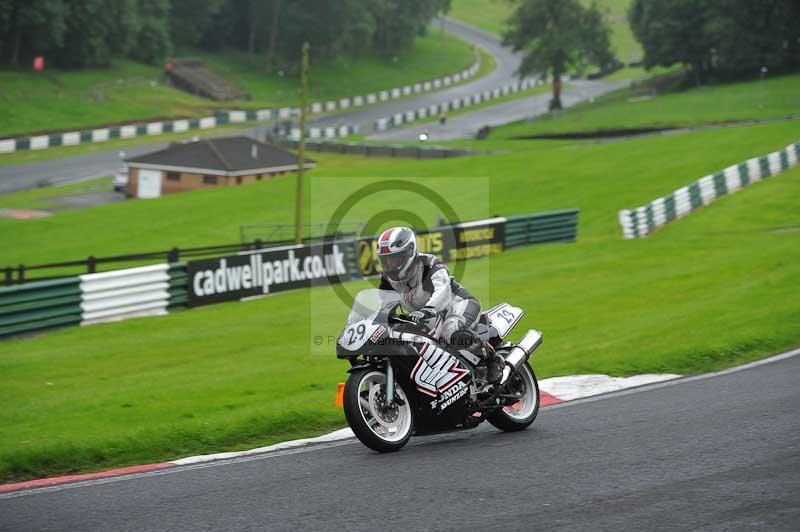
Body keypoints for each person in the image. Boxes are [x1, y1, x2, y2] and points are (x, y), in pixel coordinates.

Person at [376, 226, 505, 383]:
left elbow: (442, 291)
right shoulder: (388, 280)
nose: (390, 264)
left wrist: (428, 310)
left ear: (409, 252)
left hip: (458, 305)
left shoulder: (429, 264)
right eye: (386, 260)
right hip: (427, 317)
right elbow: (384, 304)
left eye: (395, 258)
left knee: (451, 329)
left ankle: (493, 359)